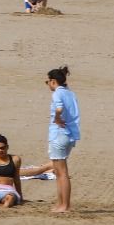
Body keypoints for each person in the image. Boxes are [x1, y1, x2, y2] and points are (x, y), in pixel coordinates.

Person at [21, 66, 79, 213]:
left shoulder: (57, 94)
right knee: (59, 172)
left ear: (53, 81)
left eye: (47, 82)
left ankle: (64, 205)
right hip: (70, 135)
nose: (47, 85)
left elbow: (59, 109)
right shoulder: (70, 94)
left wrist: (58, 118)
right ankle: (61, 203)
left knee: (61, 173)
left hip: (60, 135)